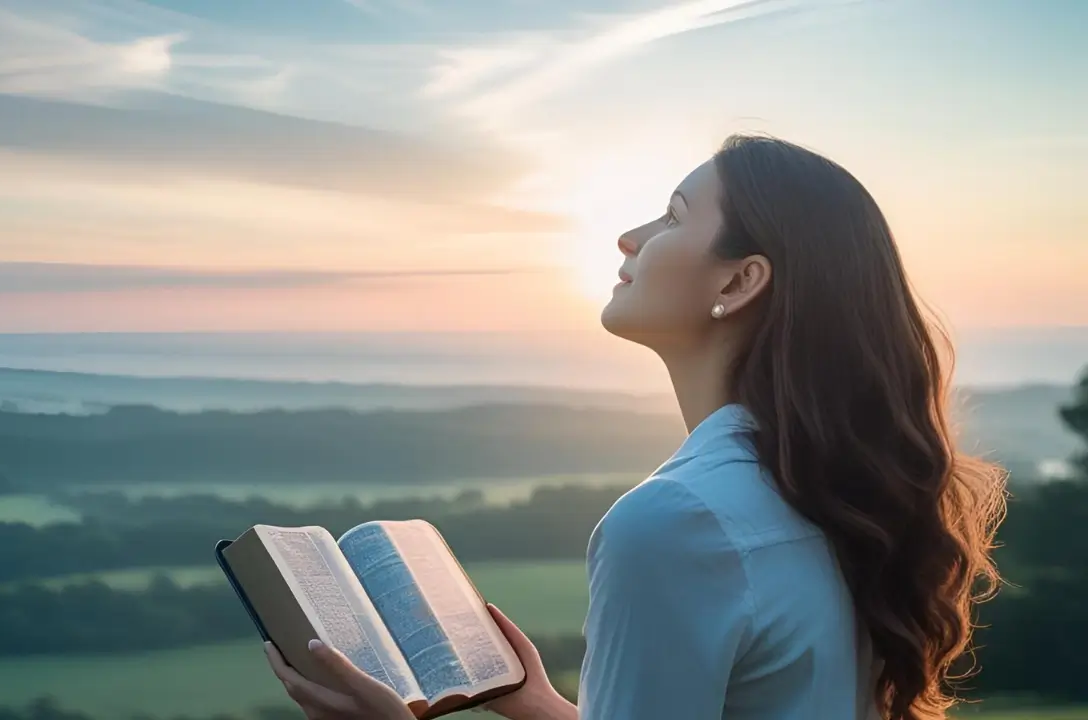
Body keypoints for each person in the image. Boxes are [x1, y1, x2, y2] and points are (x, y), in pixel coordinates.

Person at [261, 134, 1008, 720]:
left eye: (673, 217)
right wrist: (544, 708)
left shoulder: (677, 522)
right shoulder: (826, 490)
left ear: (739, 281)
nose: (628, 236)